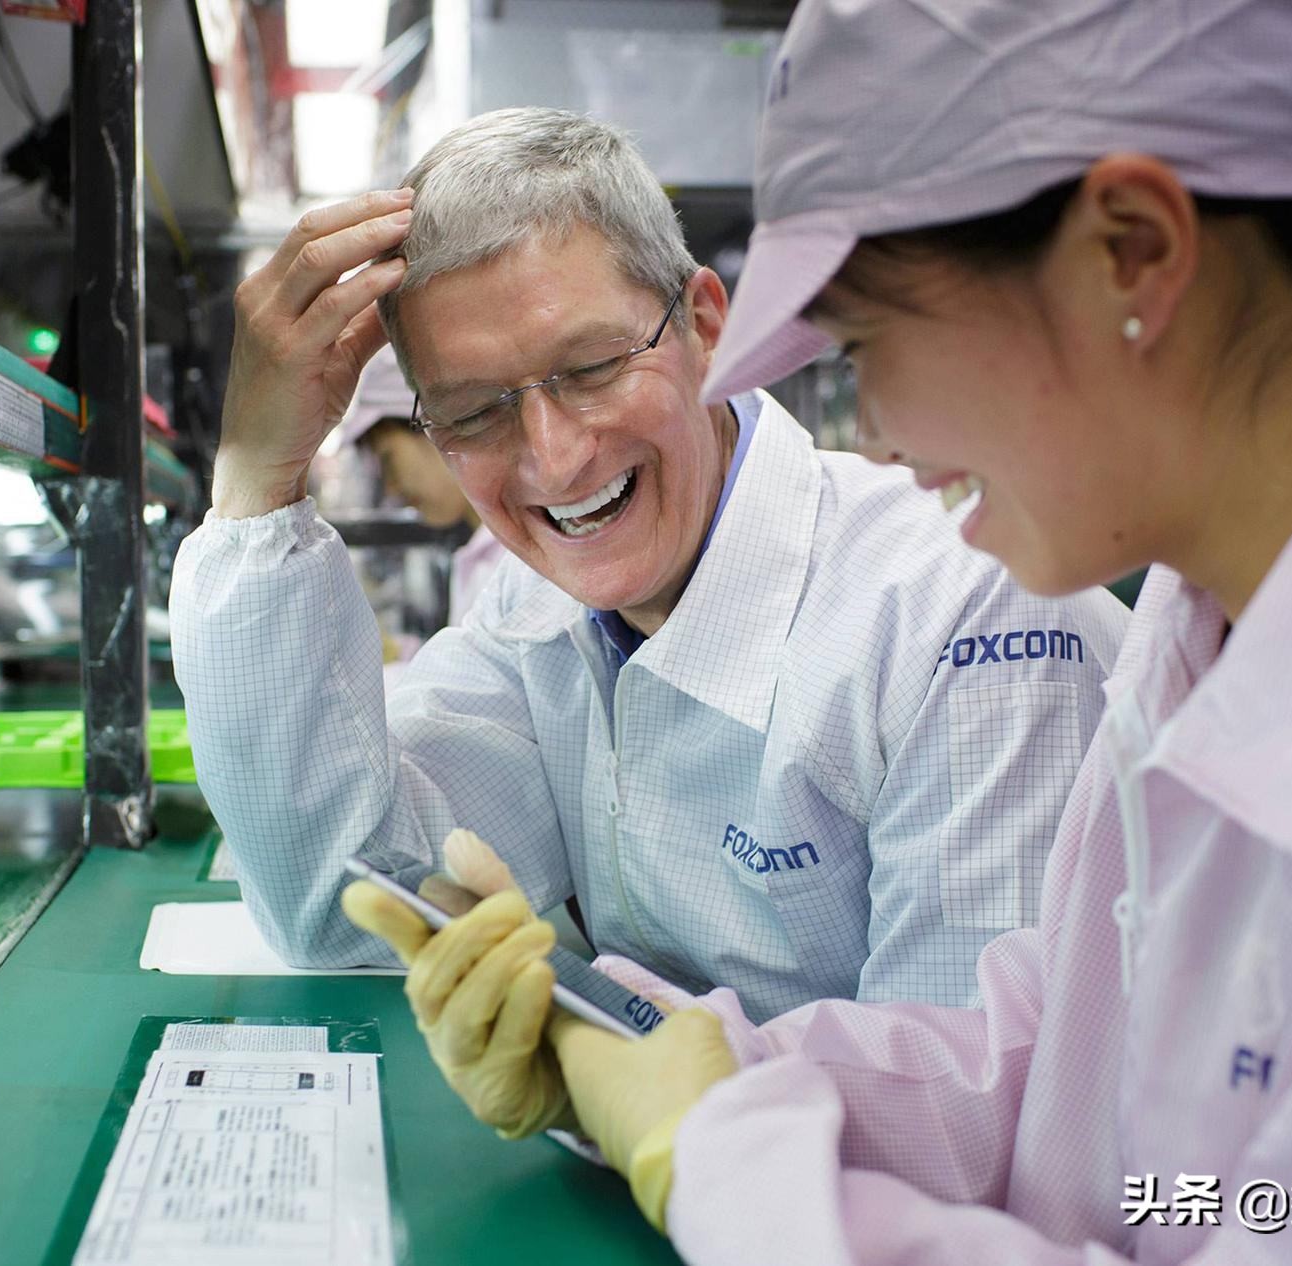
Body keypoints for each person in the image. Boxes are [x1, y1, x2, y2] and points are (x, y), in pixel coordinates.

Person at [345, 3, 1292, 1261]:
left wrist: (729, 1165)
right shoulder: (1200, 613)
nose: (876, 430)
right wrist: (646, 1060)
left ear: (1131, 251)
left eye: (874, 340)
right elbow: (1042, 1069)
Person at [171, 103, 1127, 1060]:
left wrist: (646, 1089)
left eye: (591, 367)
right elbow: (346, 908)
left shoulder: (964, 611)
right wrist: (257, 479)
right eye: (472, 412)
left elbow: (975, 1102)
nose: (554, 459)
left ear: (705, 325)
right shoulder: (537, 609)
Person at [336, 346, 507, 628]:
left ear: (435, 427)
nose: (392, 488)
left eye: (388, 460)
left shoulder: (516, 559)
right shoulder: (482, 552)